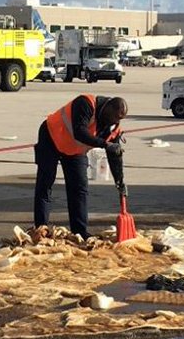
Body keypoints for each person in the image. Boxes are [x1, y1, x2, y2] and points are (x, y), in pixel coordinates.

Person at [34, 94, 128, 236]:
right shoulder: (86, 103)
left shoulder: (113, 126)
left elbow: (114, 155)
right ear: (106, 108)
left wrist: (119, 181)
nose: (110, 123)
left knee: (79, 188)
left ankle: (80, 231)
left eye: (115, 120)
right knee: (45, 183)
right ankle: (41, 228)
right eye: (109, 119)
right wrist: (104, 144)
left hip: (74, 150)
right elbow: (79, 132)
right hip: (51, 137)